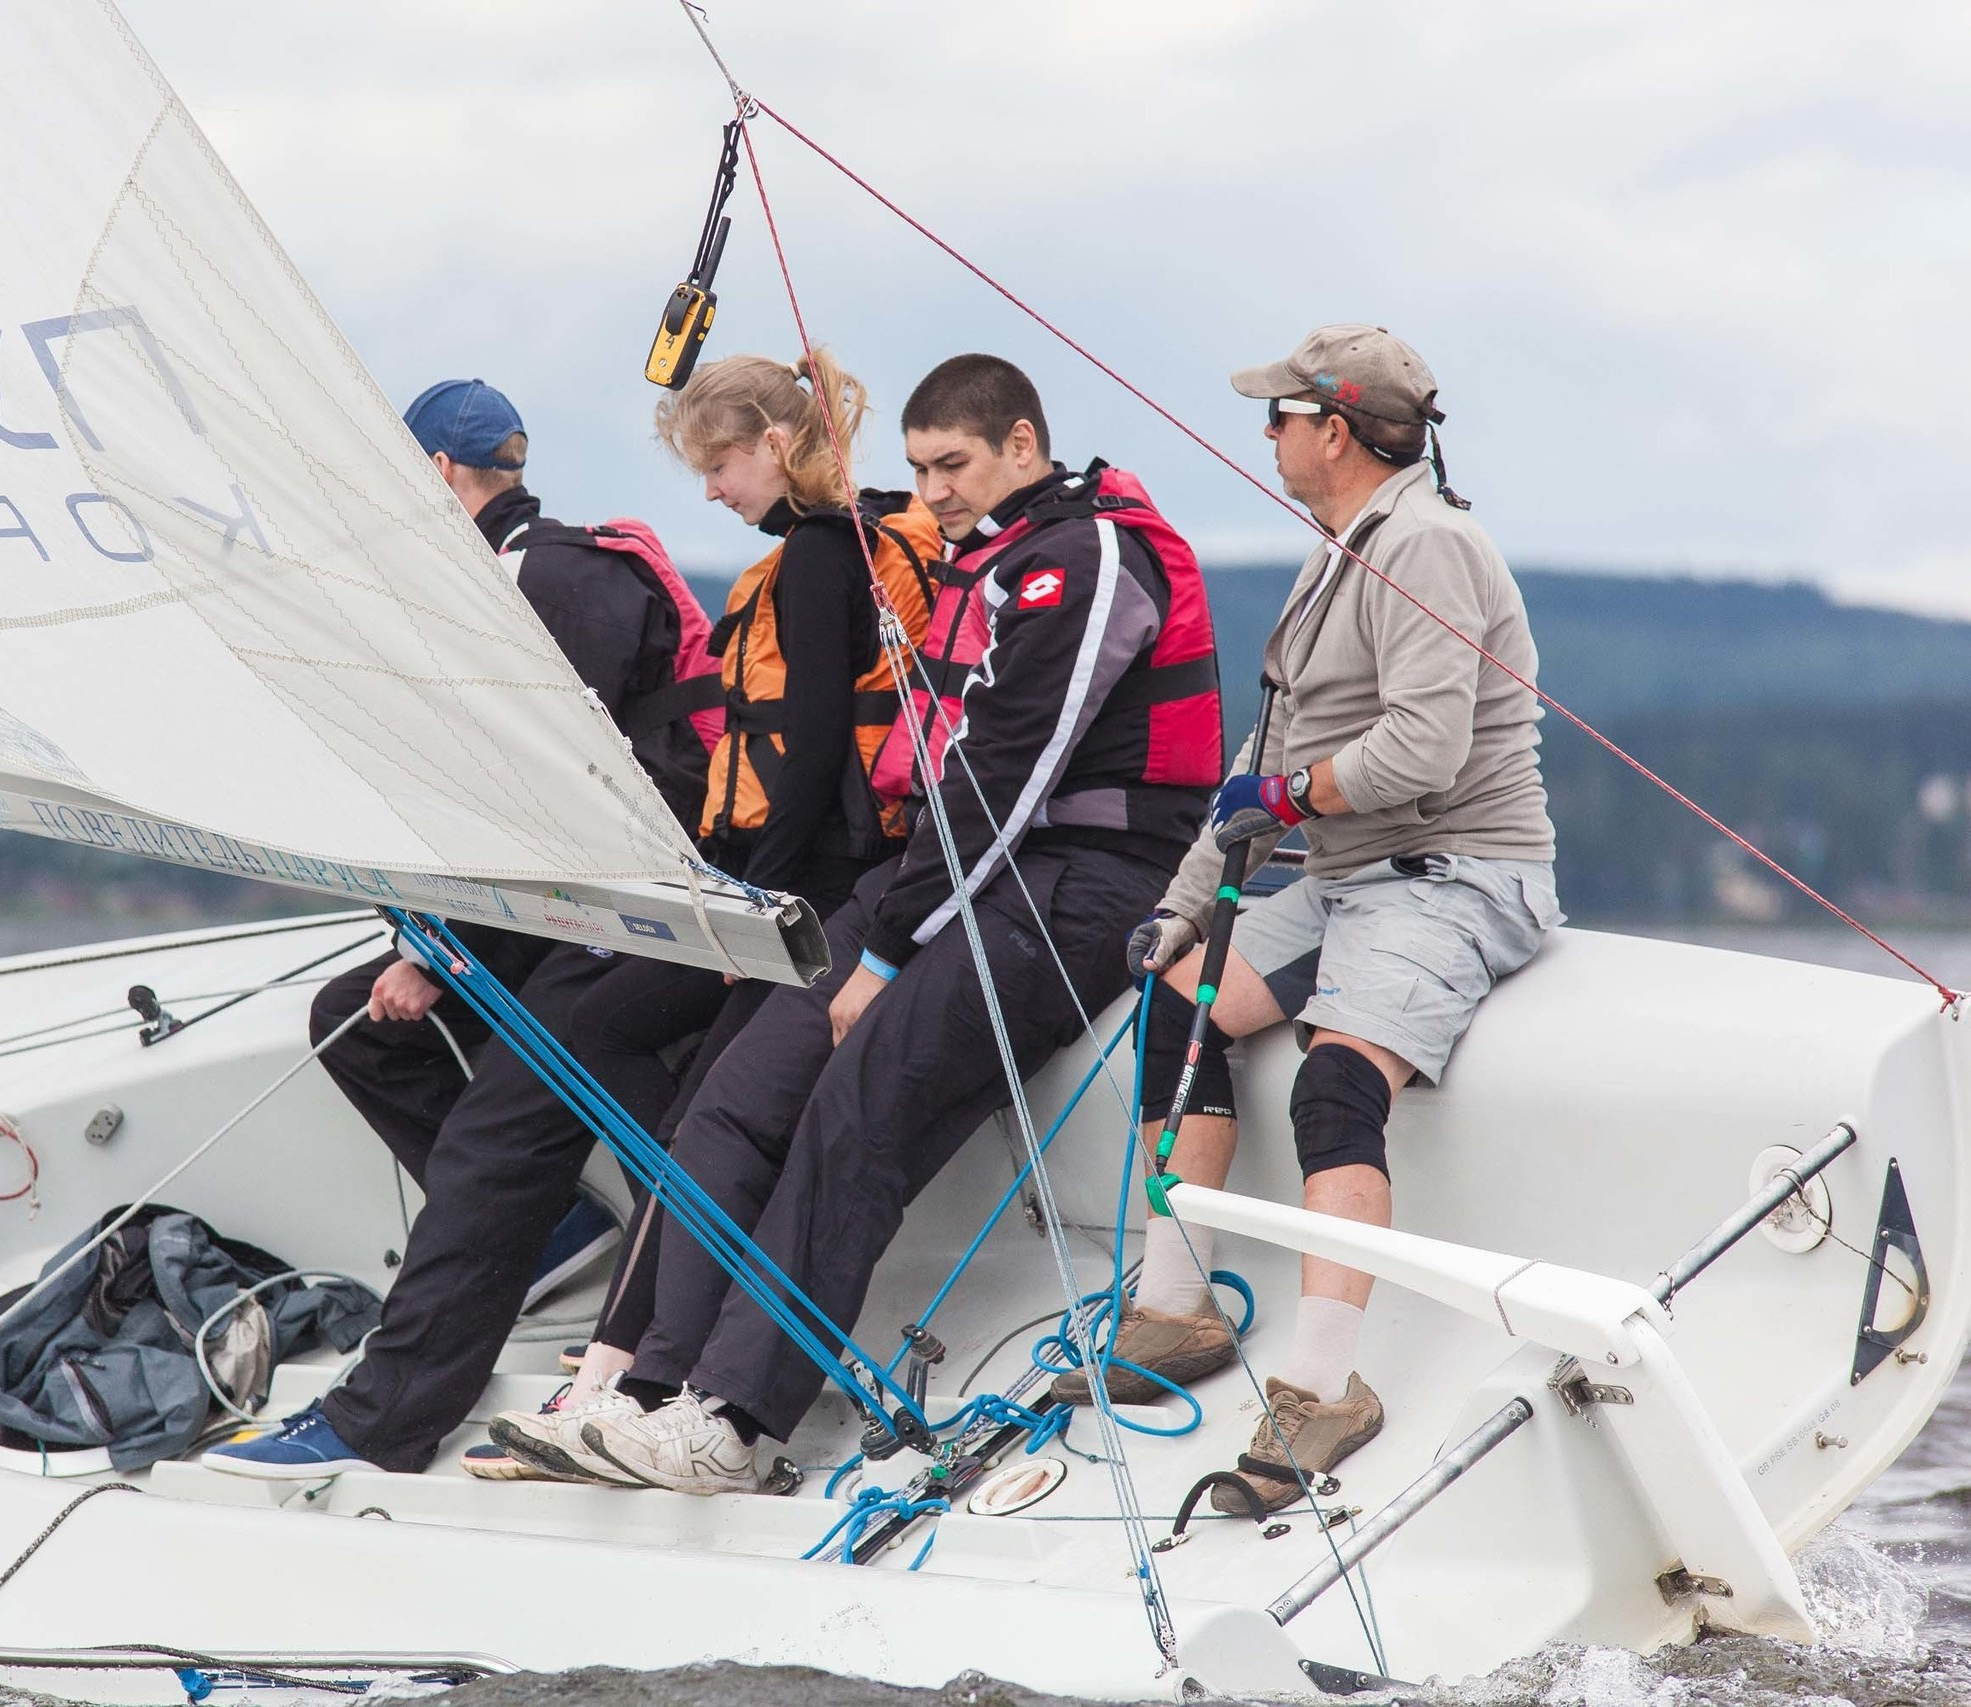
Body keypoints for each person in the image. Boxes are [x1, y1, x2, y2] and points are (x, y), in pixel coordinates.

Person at [552, 354, 1227, 1494]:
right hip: (954, 874)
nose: (936, 489)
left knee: (858, 1105)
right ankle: (655, 1386)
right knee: (736, 1094)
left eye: (953, 464)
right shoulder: (987, 559)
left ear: (1023, 444)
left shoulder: (1084, 558)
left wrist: (880, 952)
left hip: (1075, 885)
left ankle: (730, 1420)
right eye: (917, 468)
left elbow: (1008, 780)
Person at [1063, 324, 1558, 1514]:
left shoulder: (1427, 548)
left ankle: (1322, 1388)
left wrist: (1289, 798)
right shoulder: (1343, 549)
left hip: (1455, 873)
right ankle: (1175, 1313)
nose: (1267, 437)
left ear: (1332, 431)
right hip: (1345, 879)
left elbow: (1422, 750)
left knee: (1334, 1088)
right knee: (1176, 1014)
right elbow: (1264, 754)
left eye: (1277, 417)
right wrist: (1182, 909)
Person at [204, 378, 714, 1478]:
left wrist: (448, 956)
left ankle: (383, 1419)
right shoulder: (513, 569)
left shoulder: (545, 578)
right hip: (586, 903)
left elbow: (550, 797)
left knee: (497, 1130)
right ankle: (558, 1238)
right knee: (358, 1019)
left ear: (437, 476)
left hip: (646, 916)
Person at [483, 351, 939, 1483]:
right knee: (675, 1101)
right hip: (803, 887)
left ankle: (636, 1385)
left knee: (706, 1125)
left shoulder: (825, 560)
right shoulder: (830, 553)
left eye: (721, 465)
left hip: (820, 897)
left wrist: (750, 918)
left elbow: (818, 750)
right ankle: (612, 1377)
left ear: (775, 449)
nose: (712, 492)